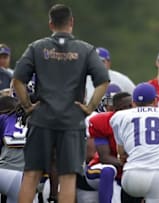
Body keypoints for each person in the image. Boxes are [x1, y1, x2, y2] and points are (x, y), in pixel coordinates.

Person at [12, 4, 109, 203]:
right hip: (71, 120)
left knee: (31, 174)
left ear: (50, 24)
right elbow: (103, 81)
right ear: (71, 22)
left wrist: (28, 105)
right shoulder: (85, 49)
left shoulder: (37, 47)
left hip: (41, 118)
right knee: (67, 176)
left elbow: (18, 80)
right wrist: (89, 107)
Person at [110, 82, 159, 203]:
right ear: (155, 101)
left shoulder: (120, 116)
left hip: (131, 176)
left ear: (133, 102)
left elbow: (121, 154)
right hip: (158, 175)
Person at [86, 91, 143, 203]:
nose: (131, 110)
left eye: (131, 106)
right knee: (108, 170)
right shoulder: (102, 121)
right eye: (126, 107)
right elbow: (104, 158)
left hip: (129, 171)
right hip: (107, 170)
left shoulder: (142, 121)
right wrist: (132, 164)